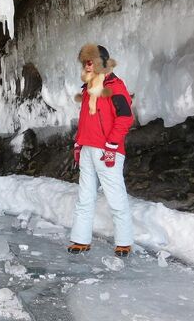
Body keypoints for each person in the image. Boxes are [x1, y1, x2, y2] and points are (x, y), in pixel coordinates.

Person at [69, 44, 134, 257]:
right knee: (84, 197)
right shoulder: (89, 88)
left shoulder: (115, 86)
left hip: (108, 150)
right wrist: (79, 144)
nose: (87, 67)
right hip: (88, 148)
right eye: (86, 63)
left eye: (91, 63)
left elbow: (125, 117)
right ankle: (80, 239)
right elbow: (85, 120)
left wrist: (112, 145)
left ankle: (124, 242)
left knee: (115, 196)